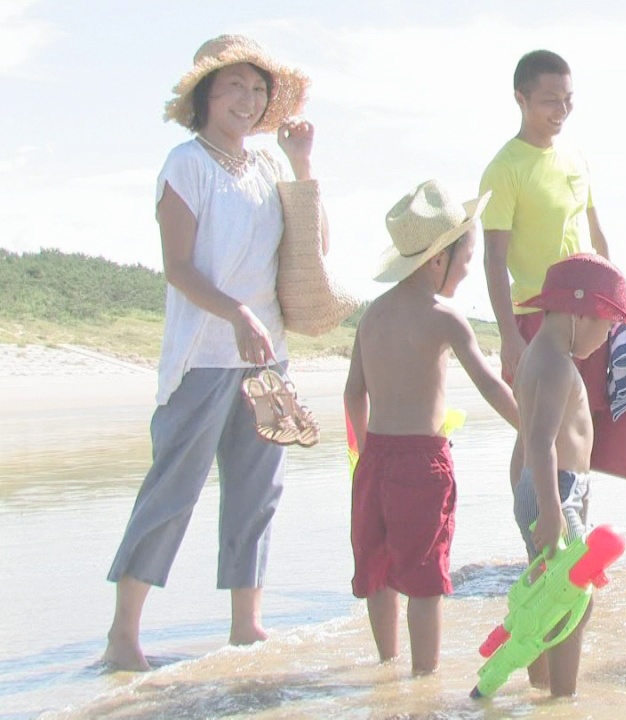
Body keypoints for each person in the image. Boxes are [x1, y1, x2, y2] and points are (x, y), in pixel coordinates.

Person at [103, 35, 319, 671]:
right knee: (172, 489)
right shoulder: (185, 163)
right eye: (235, 88)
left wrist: (303, 164)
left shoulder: (269, 168)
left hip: (267, 355)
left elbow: (310, 246)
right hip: (203, 356)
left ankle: (247, 626)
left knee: (258, 491)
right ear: (204, 95)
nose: (249, 101)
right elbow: (178, 268)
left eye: (258, 90)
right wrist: (238, 313)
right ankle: (124, 636)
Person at [344, 180, 519, 675]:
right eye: (467, 260)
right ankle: (424, 680)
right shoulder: (445, 316)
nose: (467, 270)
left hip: (374, 457)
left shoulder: (372, 316)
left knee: (376, 571)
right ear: (440, 258)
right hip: (422, 462)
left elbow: (353, 392)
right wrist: (530, 431)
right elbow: (488, 385)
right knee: (424, 578)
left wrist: (358, 459)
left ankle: (386, 664)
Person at [512, 253, 626, 696]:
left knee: (544, 587)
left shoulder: (539, 354)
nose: (608, 336)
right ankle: (562, 697)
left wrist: (526, 492)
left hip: (545, 488)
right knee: (573, 597)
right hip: (559, 492)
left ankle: (539, 678)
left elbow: (525, 437)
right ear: (578, 315)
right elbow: (540, 441)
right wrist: (551, 509)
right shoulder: (556, 365)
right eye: (607, 325)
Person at [479, 49, 612, 495]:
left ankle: (573, 534)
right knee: (535, 431)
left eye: (568, 100)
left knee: (578, 430)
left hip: (587, 315)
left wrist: (615, 308)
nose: (562, 111)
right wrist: (509, 336)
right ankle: (535, 537)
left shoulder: (575, 157)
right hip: (537, 318)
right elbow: (493, 258)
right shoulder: (505, 168)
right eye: (550, 101)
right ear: (521, 98)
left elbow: (596, 235)